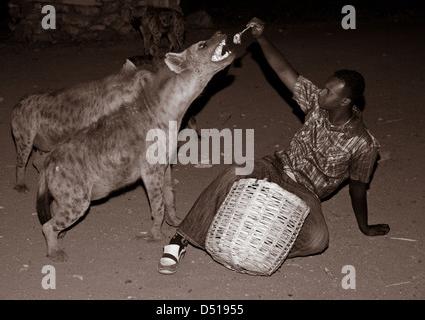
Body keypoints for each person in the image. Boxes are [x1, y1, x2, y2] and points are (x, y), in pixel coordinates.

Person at [157, 17, 390, 275]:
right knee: (236, 172)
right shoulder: (317, 104)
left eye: (329, 92)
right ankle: (182, 238)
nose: (321, 92)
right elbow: (283, 71)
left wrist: (366, 227)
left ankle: (261, 246)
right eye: (324, 88)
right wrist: (261, 38)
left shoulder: (363, 144)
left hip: (306, 193)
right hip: (276, 167)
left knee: (318, 240)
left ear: (345, 101)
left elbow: (358, 189)